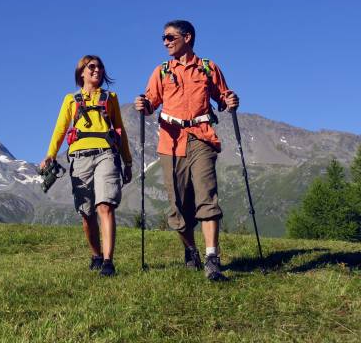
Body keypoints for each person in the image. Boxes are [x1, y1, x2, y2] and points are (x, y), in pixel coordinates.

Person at [134, 20, 239, 281]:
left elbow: (223, 98)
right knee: (178, 206)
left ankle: (212, 259)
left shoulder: (207, 68)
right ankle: (191, 250)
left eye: (170, 37)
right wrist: (143, 104)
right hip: (170, 143)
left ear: (187, 37)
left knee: (207, 196)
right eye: (164, 38)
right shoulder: (161, 72)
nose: (165, 42)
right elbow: (150, 104)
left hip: (202, 138)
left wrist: (230, 100)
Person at [41, 55, 132, 277]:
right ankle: (96, 255)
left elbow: (120, 130)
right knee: (87, 213)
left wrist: (127, 161)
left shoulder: (110, 98)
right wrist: (50, 155)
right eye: (92, 67)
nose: (97, 70)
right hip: (80, 158)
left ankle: (108, 263)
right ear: (81, 72)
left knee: (105, 206)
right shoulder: (70, 100)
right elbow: (60, 130)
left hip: (106, 155)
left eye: (100, 67)